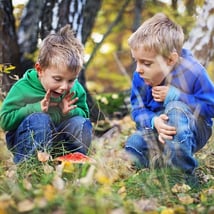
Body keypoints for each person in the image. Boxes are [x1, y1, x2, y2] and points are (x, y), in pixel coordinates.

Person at [125, 13, 214, 177]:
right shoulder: (140, 77)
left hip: (193, 128)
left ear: (170, 60)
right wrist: (154, 121)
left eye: (146, 63)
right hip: (159, 130)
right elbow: (137, 110)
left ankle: (183, 175)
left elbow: (211, 107)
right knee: (133, 145)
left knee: (175, 108)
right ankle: (164, 164)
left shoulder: (193, 71)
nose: (138, 69)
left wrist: (176, 95)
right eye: (136, 61)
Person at [0, 25, 92, 164]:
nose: (64, 87)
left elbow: (84, 115)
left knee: (80, 122)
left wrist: (67, 112)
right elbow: (5, 121)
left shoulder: (76, 89)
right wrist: (34, 108)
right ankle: (32, 167)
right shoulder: (24, 88)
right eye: (58, 79)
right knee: (39, 119)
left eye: (71, 80)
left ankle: (71, 164)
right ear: (40, 70)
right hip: (28, 140)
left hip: (59, 141)